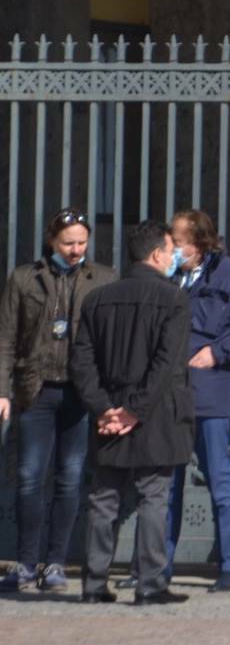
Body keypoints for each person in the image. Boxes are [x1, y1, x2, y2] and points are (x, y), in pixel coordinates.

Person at [153, 208, 230, 593]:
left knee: (220, 479)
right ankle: (159, 566)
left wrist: (219, 352)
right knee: (166, 484)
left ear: (198, 243)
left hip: (211, 390)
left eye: (177, 240)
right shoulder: (168, 276)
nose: (170, 246)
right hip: (169, 392)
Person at [69, 219, 194, 605]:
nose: (174, 256)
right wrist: (134, 411)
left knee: (104, 497)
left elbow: (81, 362)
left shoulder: (97, 299)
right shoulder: (173, 299)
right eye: (171, 249)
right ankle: (150, 582)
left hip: (110, 412)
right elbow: (165, 364)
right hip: (154, 412)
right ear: (157, 254)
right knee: (153, 496)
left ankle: (93, 583)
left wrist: (104, 408)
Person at [0, 208, 116, 593]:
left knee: (69, 479)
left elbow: (110, 340)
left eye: (82, 242)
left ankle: (55, 563)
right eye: (68, 243)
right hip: (36, 389)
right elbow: (6, 337)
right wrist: (3, 388)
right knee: (30, 477)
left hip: (79, 393)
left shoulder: (102, 278)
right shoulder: (24, 278)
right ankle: (26, 561)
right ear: (52, 240)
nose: (76, 249)